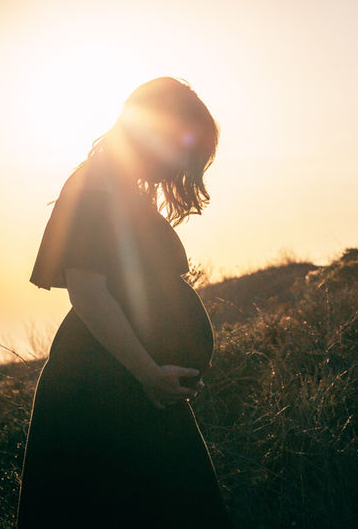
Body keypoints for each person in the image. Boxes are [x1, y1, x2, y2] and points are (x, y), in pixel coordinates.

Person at [17, 77, 234, 527]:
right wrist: (149, 373)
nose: (182, 162)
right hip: (102, 387)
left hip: (132, 384)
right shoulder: (95, 184)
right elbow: (88, 292)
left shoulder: (120, 187)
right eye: (181, 145)